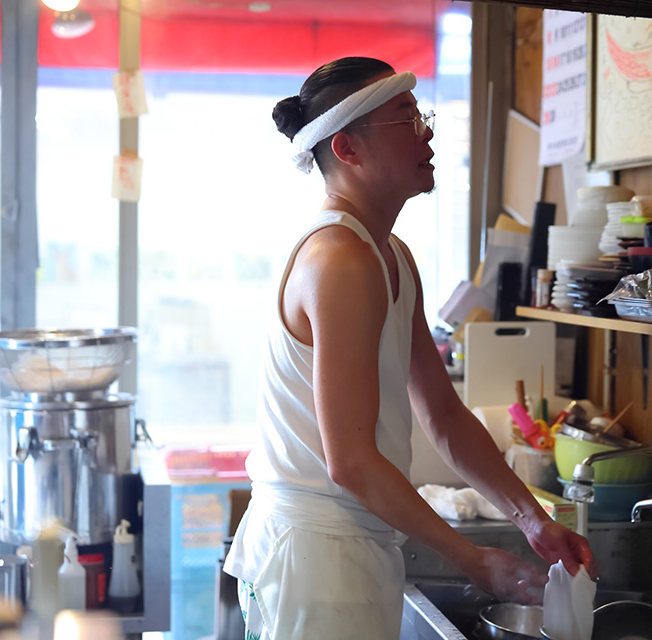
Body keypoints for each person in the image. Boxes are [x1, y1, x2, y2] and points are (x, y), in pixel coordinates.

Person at [223, 57, 594, 640]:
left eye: (422, 116)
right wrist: (472, 559)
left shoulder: (391, 255)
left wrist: (532, 519)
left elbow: (443, 415)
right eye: (407, 120)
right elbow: (350, 461)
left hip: (354, 546)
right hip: (314, 554)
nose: (426, 134)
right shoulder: (339, 262)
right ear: (346, 148)